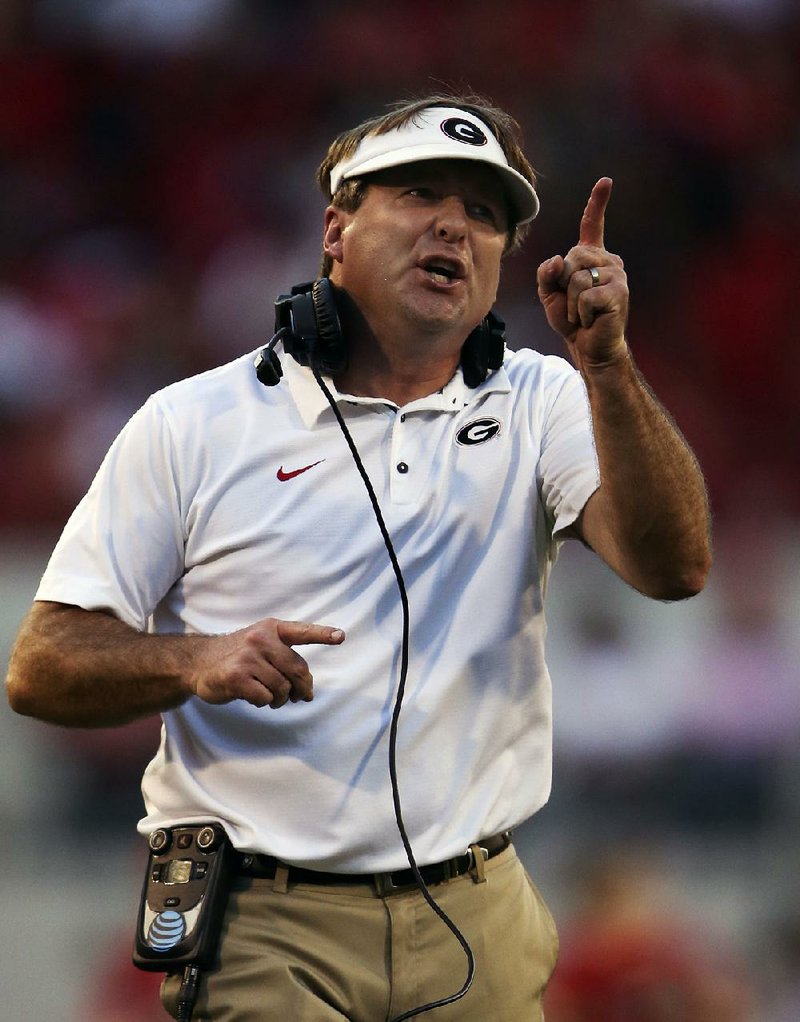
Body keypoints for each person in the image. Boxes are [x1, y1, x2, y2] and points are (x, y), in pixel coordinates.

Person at [5, 93, 711, 1021]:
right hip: (264, 919)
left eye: (487, 214)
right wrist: (195, 658)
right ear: (336, 230)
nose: (455, 225)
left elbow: (675, 568)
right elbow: (41, 667)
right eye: (420, 193)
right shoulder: (194, 422)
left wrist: (609, 366)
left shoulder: (546, 399)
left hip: (477, 911)